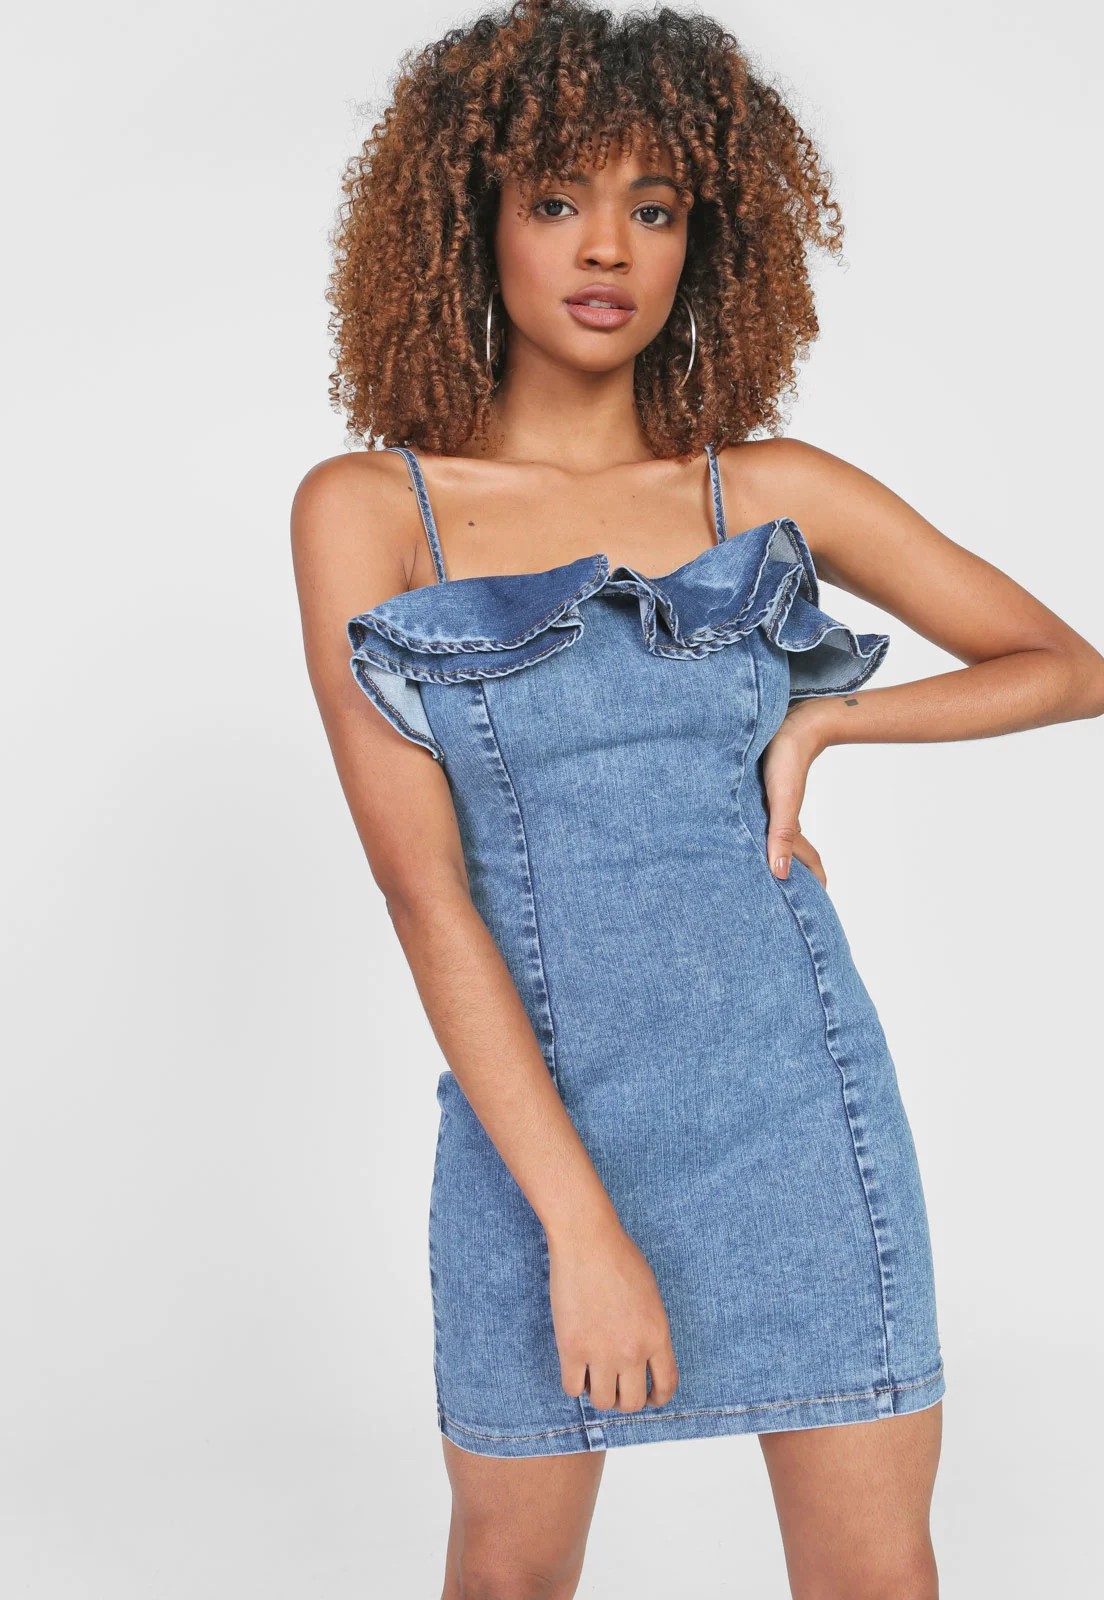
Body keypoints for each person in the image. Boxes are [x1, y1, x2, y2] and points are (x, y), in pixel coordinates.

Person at [290, 2, 1104, 1595]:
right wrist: (581, 1230)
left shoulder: (767, 492)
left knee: (874, 1577)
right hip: (535, 1136)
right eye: (557, 200)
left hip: (797, 1108)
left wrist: (830, 724)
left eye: (654, 208)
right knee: (508, 1575)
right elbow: (424, 894)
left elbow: (1067, 666)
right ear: (469, 225)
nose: (609, 247)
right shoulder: (373, 512)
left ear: (703, 244)